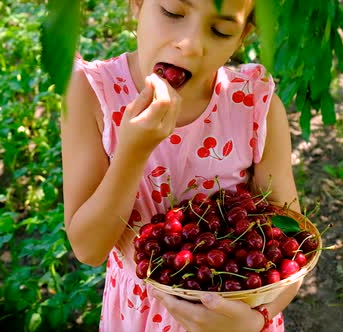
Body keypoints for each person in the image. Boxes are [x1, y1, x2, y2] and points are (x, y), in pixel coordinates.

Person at [60, 0, 301, 331]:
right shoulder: (92, 95)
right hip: (139, 314)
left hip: (235, 312)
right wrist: (132, 152)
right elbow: (88, 248)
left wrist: (255, 321)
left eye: (221, 30)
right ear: (137, 4)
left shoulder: (255, 105)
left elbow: (292, 242)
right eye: (172, 12)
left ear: (241, 36)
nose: (189, 46)